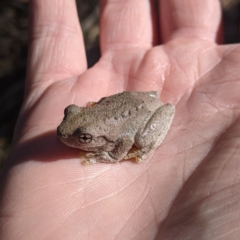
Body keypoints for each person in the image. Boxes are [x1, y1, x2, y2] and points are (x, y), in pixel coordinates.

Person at [1, 0, 239, 239]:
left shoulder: (110, 135)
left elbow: (125, 137)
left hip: (145, 112)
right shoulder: (82, 123)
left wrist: (112, 155)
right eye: (70, 113)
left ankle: (146, 148)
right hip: (132, 102)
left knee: (142, 141)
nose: (64, 133)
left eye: (83, 138)